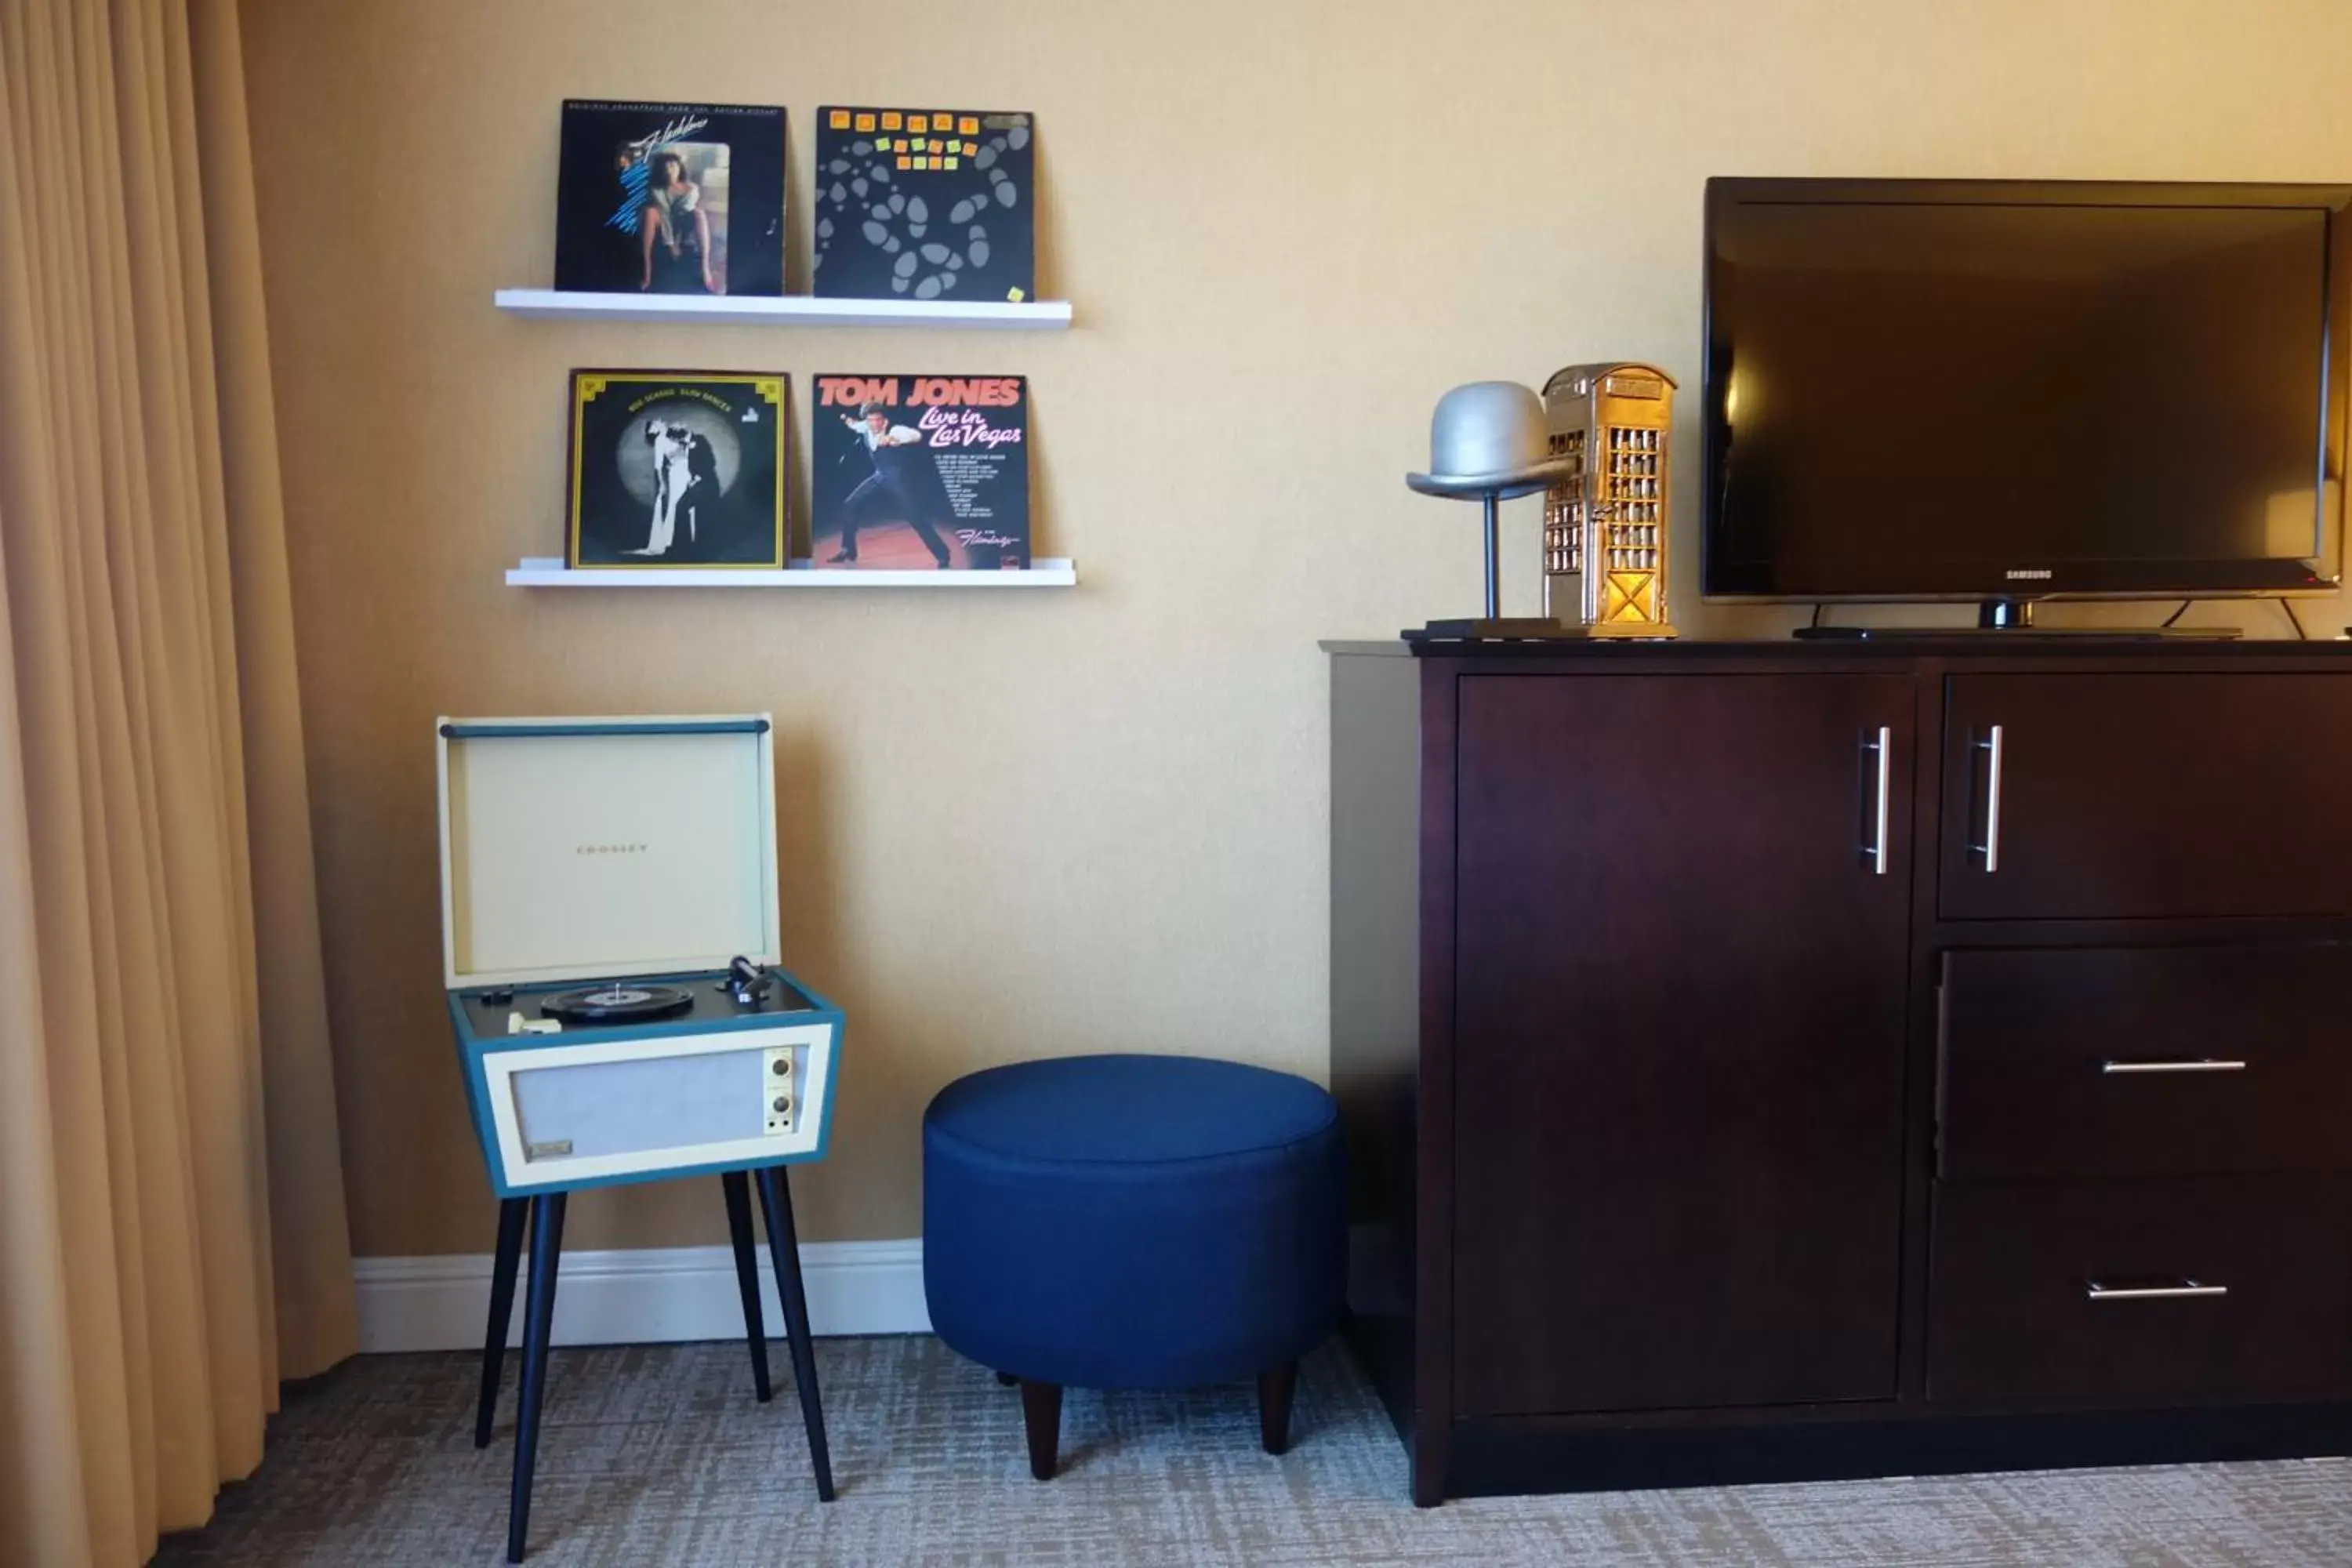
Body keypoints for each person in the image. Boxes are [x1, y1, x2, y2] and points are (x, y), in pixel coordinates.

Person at [830, 403, 953, 566]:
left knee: (914, 516)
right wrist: (847, 420)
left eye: (878, 420)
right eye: (870, 421)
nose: (874, 424)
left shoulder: (895, 431)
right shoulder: (865, 427)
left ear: (885, 421)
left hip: (897, 479)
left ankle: (943, 555)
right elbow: (855, 426)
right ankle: (849, 551)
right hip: (879, 475)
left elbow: (916, 435)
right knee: (850, 504)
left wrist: (894, 439)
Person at [639, 151, 717, 294]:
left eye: (673, 166)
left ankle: (706, 268)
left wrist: (678, 238)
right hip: (665, 222)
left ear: (679, 167)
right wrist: (671, 245)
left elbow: (686, 210)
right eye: (666, 168)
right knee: (651, 212)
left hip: (685, 222)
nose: (669, 171)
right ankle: (647, 272)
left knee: (699, 213)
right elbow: (665, 213)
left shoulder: (692, 188)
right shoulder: (657, 190)